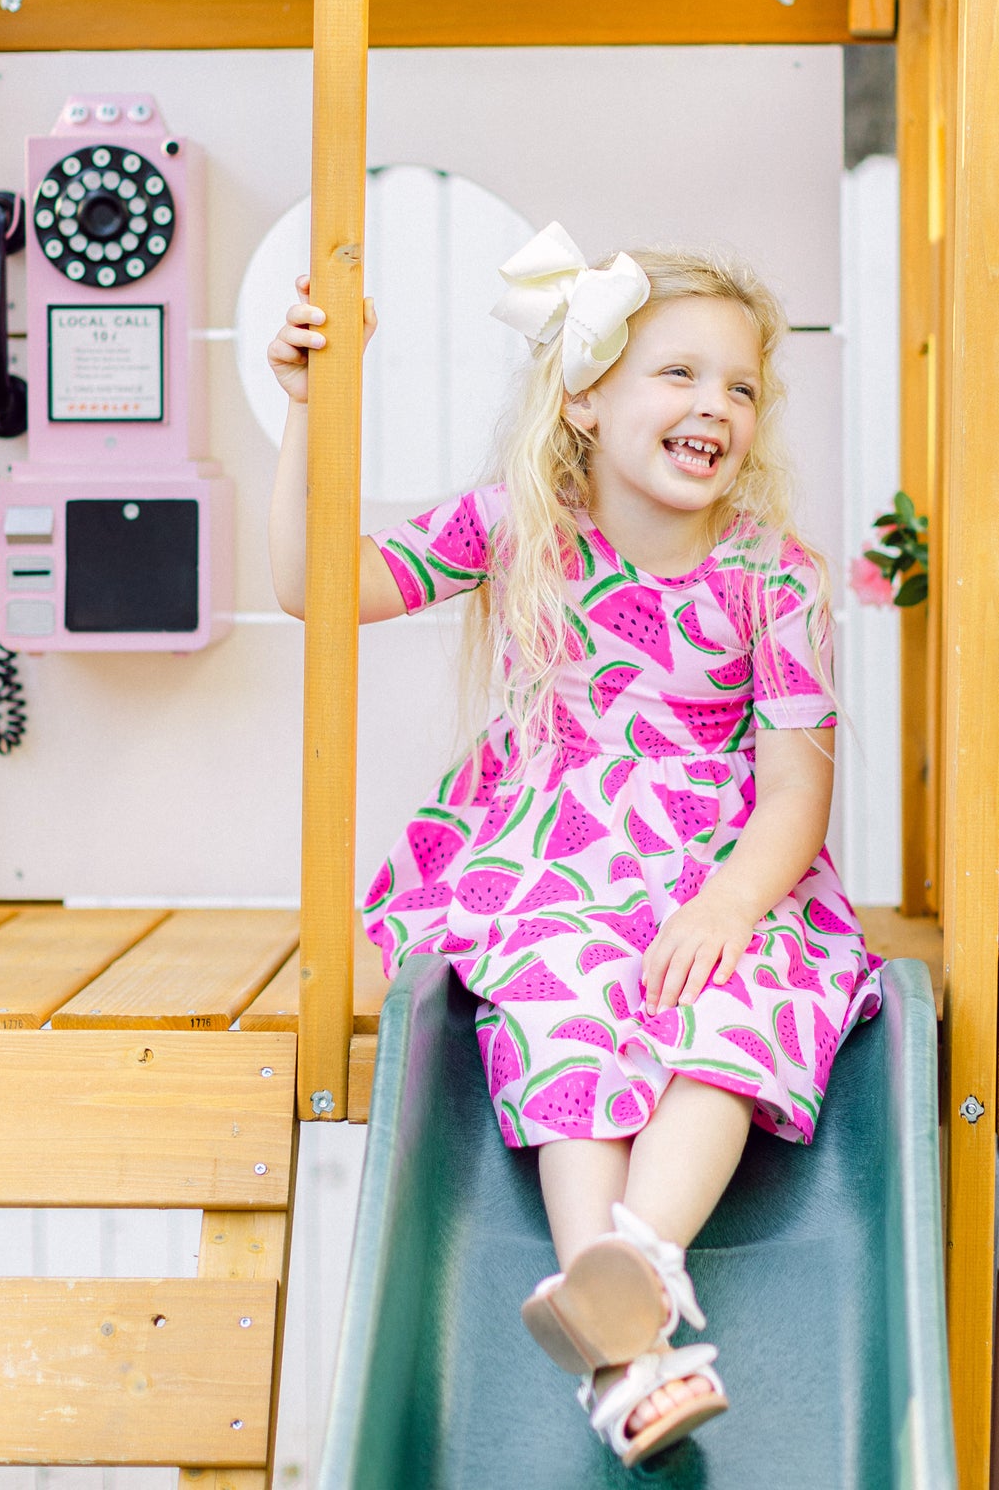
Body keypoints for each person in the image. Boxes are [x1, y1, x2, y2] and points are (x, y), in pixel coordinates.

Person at [268, 225, 881, 1469]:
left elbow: (791, 798)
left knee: (741, 1002)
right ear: (588, 398)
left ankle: (630, 1274)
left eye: (742, 385)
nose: (715, 403)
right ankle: (626, 1356)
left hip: (722, 857)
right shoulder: (518, 527)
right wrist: (305, 413)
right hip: (547, 851)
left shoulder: (776, 577)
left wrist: (727, 902)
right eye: (680, 372)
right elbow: (312, 583)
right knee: (562, 989)